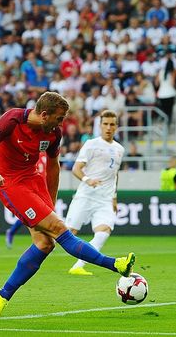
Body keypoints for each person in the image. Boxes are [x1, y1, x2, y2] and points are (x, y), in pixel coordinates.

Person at [0, 92, 135, 320]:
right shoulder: (13, 119)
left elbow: (52, 166)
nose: (61, 124)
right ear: (44, 115)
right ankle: (116, 265)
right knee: (60, 231)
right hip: (11, 184)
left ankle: (3, 295)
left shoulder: (54, 133)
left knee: (45, 244)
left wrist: (51, 201)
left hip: (34, 181)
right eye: (59, 118)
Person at [65, 110, 124, 276]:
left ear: (116, 127)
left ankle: (78, 266)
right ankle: (38, 255)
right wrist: (87, 180)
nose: (108, 128)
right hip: (85, 195)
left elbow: (115, 175)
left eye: (112, 124)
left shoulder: (120, 149)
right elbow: (76, 169)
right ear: (100, 126)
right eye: (105, 124)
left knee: (103, 232)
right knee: (68, 234)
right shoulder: (91, 144)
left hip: (105, 199)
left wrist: (114, 197)